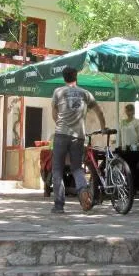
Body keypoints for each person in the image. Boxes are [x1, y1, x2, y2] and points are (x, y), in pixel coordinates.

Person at [51, 66, 106, 214]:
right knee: (76, 168)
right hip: (79, 136)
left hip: (61, 134)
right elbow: (99, 111)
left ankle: (59, 205)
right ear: (76, 77)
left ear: (64, 78)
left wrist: (61, 125)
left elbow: (54, 114)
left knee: (57, 169)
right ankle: (82, 190)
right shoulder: (85, 93)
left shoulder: (58, 92)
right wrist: (103, 127)